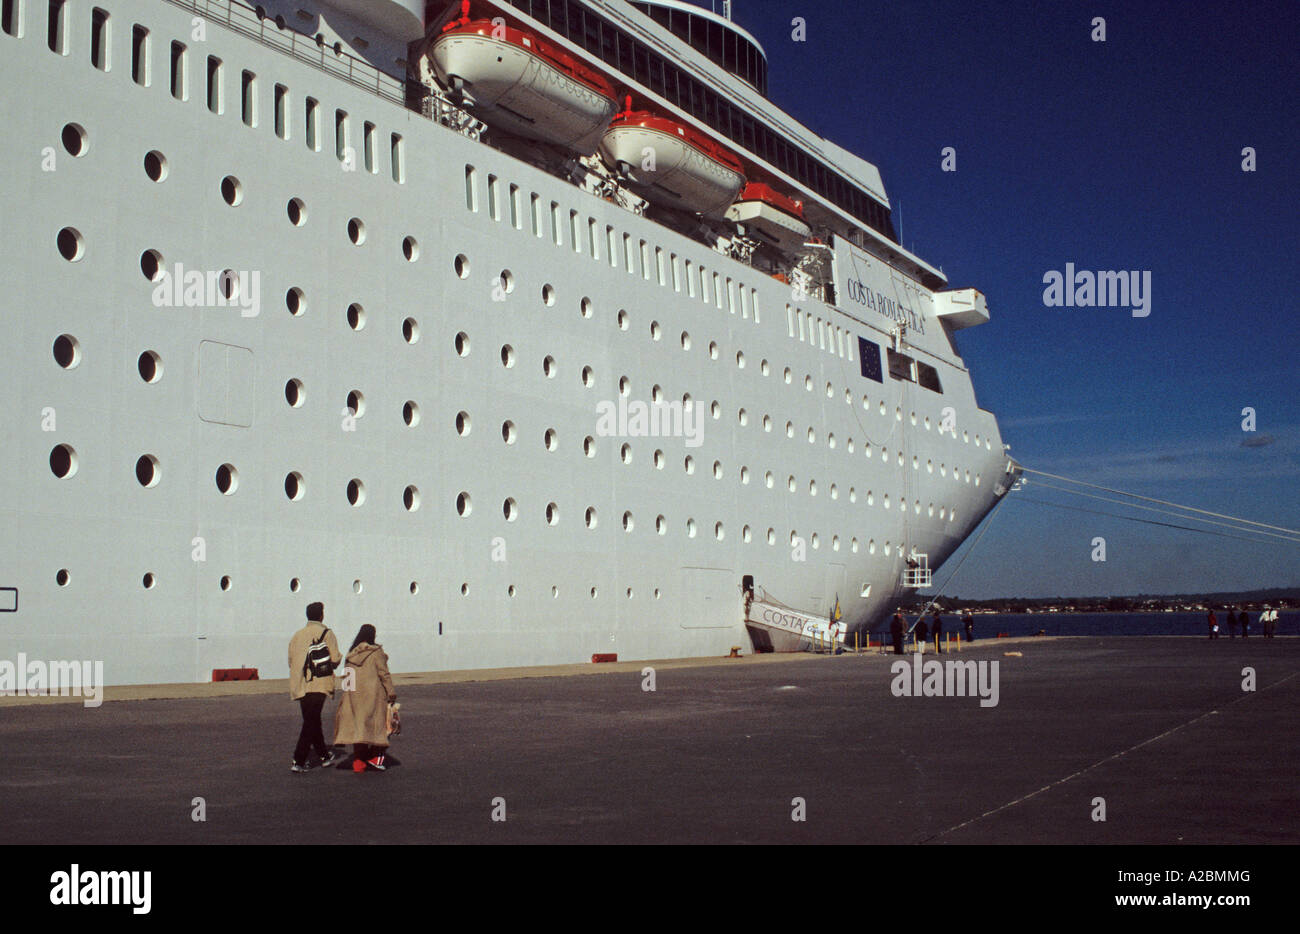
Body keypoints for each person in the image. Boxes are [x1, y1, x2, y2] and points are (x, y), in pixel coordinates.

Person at [334, 624, 398, 772]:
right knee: (380, 728)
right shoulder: (376, 652)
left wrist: (348, 695)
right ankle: (376, 759)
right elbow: (384, 674)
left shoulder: (351, 654)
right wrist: (391, 692)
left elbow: (347, 676)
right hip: (375, 696)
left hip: (355, 696)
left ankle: (358, 762)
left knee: (359, 729)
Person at [288, 601, 342, 773]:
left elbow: (290, 660)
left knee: (312, 720)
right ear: (321, 615)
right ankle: (299, 760)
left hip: (301, 684)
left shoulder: (297, 635)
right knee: (311, 722)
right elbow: (334, 659)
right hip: (319, 683)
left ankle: (324, 757)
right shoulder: (326, 633)